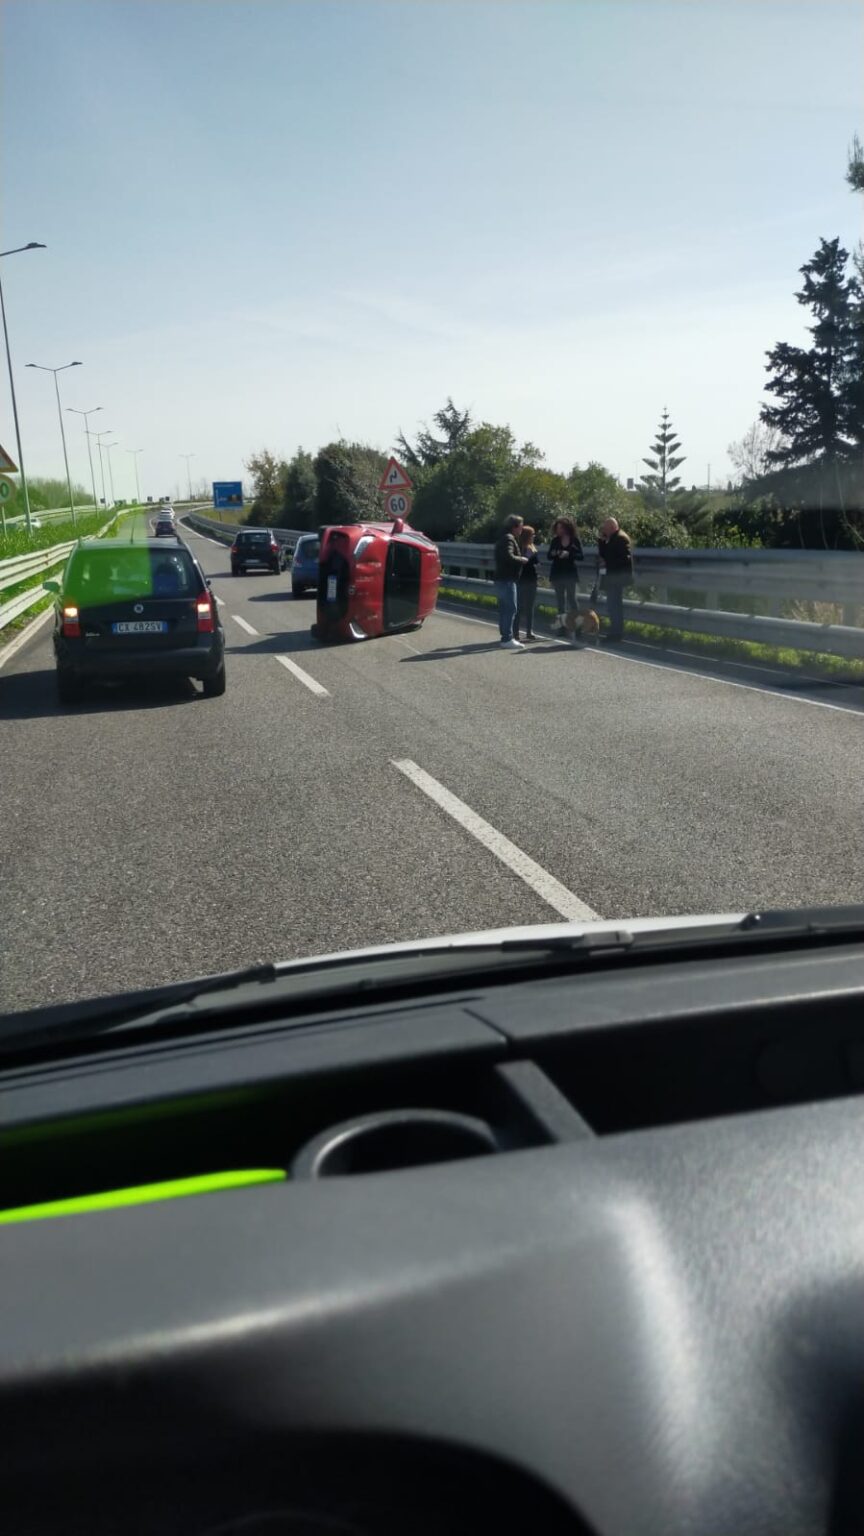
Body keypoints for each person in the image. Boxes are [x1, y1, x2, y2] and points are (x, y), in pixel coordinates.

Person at [597, 516, 633, 642]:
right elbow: (604, 554)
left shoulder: (621, 538)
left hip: (617, 578)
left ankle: (616, 633)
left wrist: (607, 562)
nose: (604, 530)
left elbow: (624, 559)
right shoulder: (612, 538)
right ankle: (615, 632)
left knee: (615, 605)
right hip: (612, 577)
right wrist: (602, 541)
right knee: (612, 605)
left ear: (612, 527)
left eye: (605, 528)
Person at [493, 514, 526, 650]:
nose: (521, 530)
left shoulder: (502, 537)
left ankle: (505, 637)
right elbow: (508, 556)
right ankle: (507, 638)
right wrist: (522, 559)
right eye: (520, 527)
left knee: (504, 609)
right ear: (514, 527)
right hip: (507, 579)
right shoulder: (509, 539)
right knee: (510, 608)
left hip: (501, 578)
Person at [547, 515, 583, 630]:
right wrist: (555, 553)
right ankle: (561, 627)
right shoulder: (555, 541)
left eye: (561, 528)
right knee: (560, 602)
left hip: (570, 574)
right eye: (557, 528)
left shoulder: (574, 540)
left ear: (567, 528)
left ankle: (577, 626)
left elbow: (581, 556)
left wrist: (569, 554)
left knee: (572, 600)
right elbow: (549, 556)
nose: (558, 530)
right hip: (557, 574)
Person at [514, 525, 539, 642]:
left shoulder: (533, 548)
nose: (533, 537)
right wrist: (526, 556)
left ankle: (529, 631)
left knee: (530, 607)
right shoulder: (518, 548)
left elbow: (537, 563)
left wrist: (536, 563)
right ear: (527, 536)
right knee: (518, 607)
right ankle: (515, 632)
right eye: (532, 535)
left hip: (532, 579)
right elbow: (518, 562)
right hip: (520, 580)